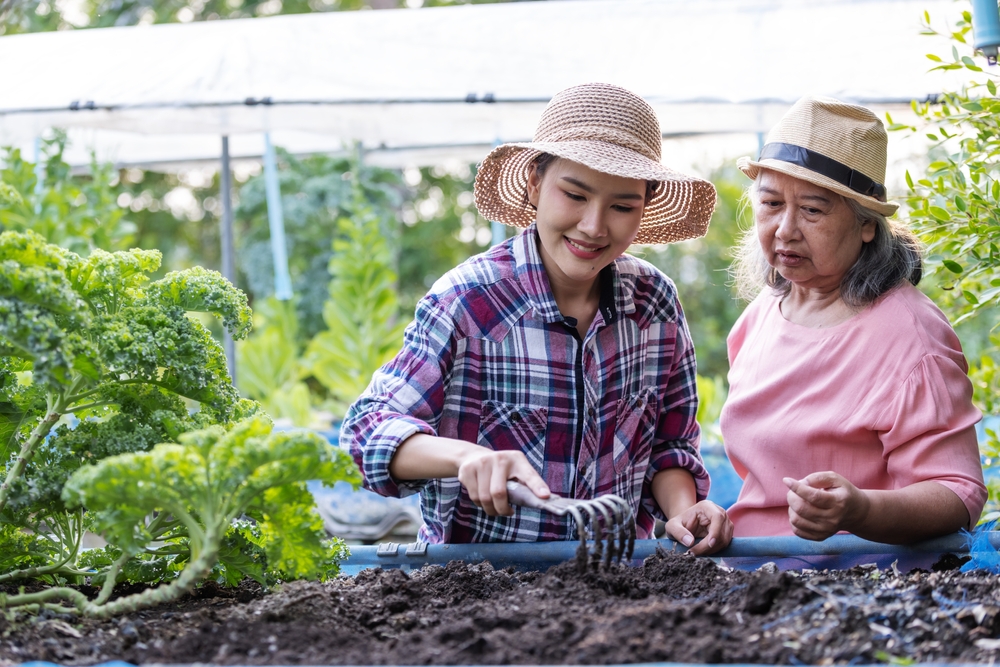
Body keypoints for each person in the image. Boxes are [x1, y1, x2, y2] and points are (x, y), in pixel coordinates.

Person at [341, 83, 733, 555]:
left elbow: (671, 447)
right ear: (534, 184)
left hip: (618, 580)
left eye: (622, 206)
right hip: (476, 583)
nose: (593, 225)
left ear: (644, 207)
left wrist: (683, 511)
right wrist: (467, 457)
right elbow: (366, 433)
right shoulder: (470, 302)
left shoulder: (654, 305)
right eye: (574, 195)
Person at [722, 95, 987, 543]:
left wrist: (860, 510)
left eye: (812, 209)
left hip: (863, 582)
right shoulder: (760, 317)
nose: (785, 229)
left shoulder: (910, 336)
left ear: (866, 224)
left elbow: (958, 493)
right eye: (770, 204)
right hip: (750, 569)